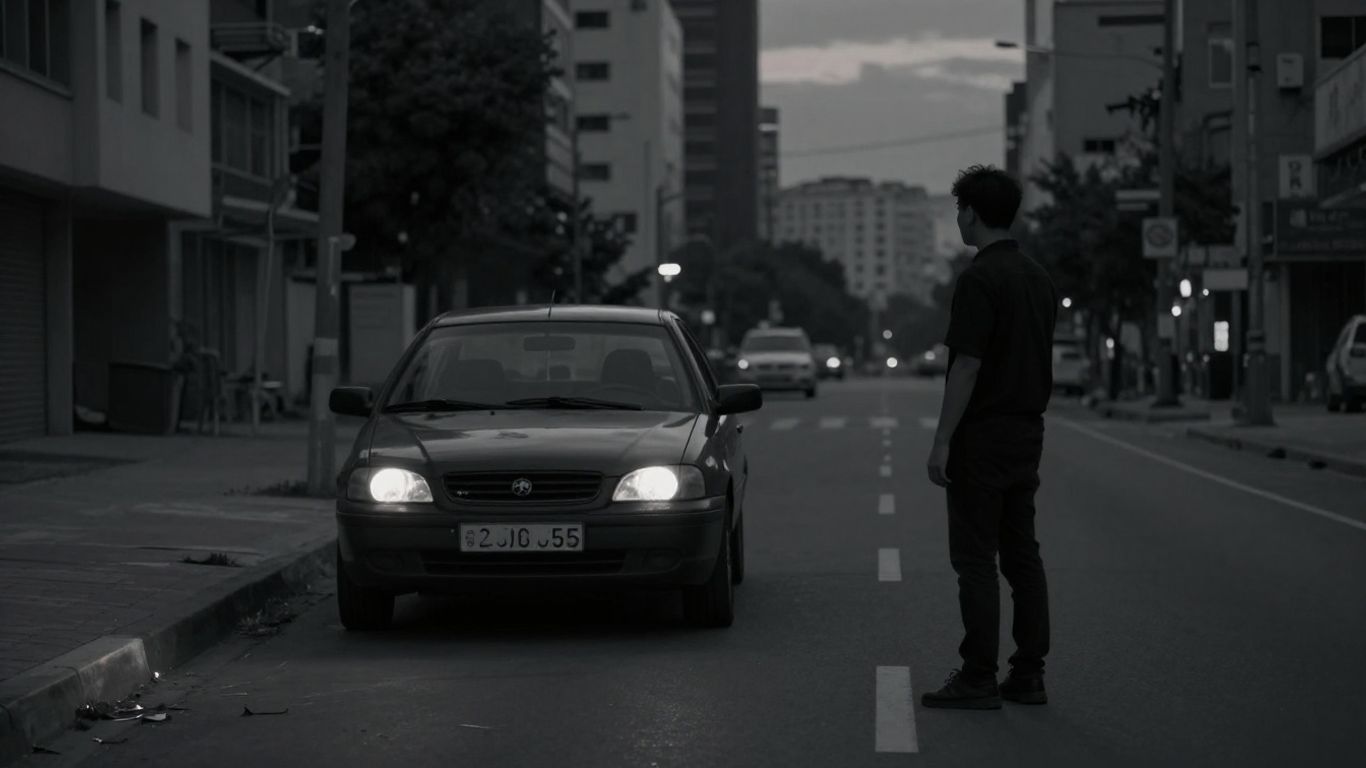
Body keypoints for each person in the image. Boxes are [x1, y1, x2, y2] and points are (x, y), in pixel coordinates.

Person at [922, 165, 1056, 710]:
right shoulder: (1037, 276)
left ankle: (978, 675)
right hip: (1028, 431)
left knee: (975, 559)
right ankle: (1028, 673)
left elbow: (968, 366)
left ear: (972, 212)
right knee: (1022, 555)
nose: (957, 219)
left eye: (959, 210)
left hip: (983, 436)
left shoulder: (979, 280)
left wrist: (941, 441)